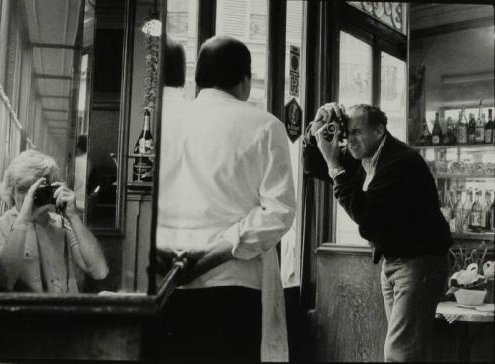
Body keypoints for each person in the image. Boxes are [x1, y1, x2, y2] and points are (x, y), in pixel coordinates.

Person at [157, 35, 296, 363]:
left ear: (197, 79)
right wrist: (211, 256)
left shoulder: (165, 125)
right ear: (245, 81)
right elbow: (278, 212)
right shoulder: (265, 126)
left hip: (164, 282)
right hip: (234, 283)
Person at [303, 102, 453, 362]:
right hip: (394, 261)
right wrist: (314, 127)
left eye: (357, 132)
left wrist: (334, 163)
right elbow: (312, 166)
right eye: (347, 133)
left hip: (421, 263)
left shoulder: (400, 162)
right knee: (407, 350)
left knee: (399, 353)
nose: (350, 139)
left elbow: (366, 216)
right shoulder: (365, 158)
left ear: (380, 130)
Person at [0, 150, 109, 293]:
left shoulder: (62, 224)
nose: (30, 197)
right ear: (11, 192)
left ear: (52, 189)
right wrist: (23, 220)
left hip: (65, 312)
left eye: (36, 190)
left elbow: (100, 271)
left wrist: (73, 217)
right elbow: (4, 282)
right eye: (23, 189)